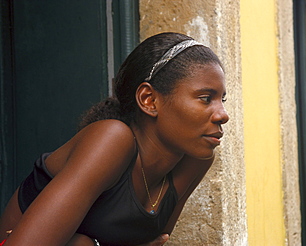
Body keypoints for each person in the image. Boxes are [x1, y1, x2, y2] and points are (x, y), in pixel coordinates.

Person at [0, 32, 229, 245]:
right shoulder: (112, 140)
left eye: (222, 100)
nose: (223, 115)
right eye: (205, 98)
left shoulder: (195, 161)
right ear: (149, 100)